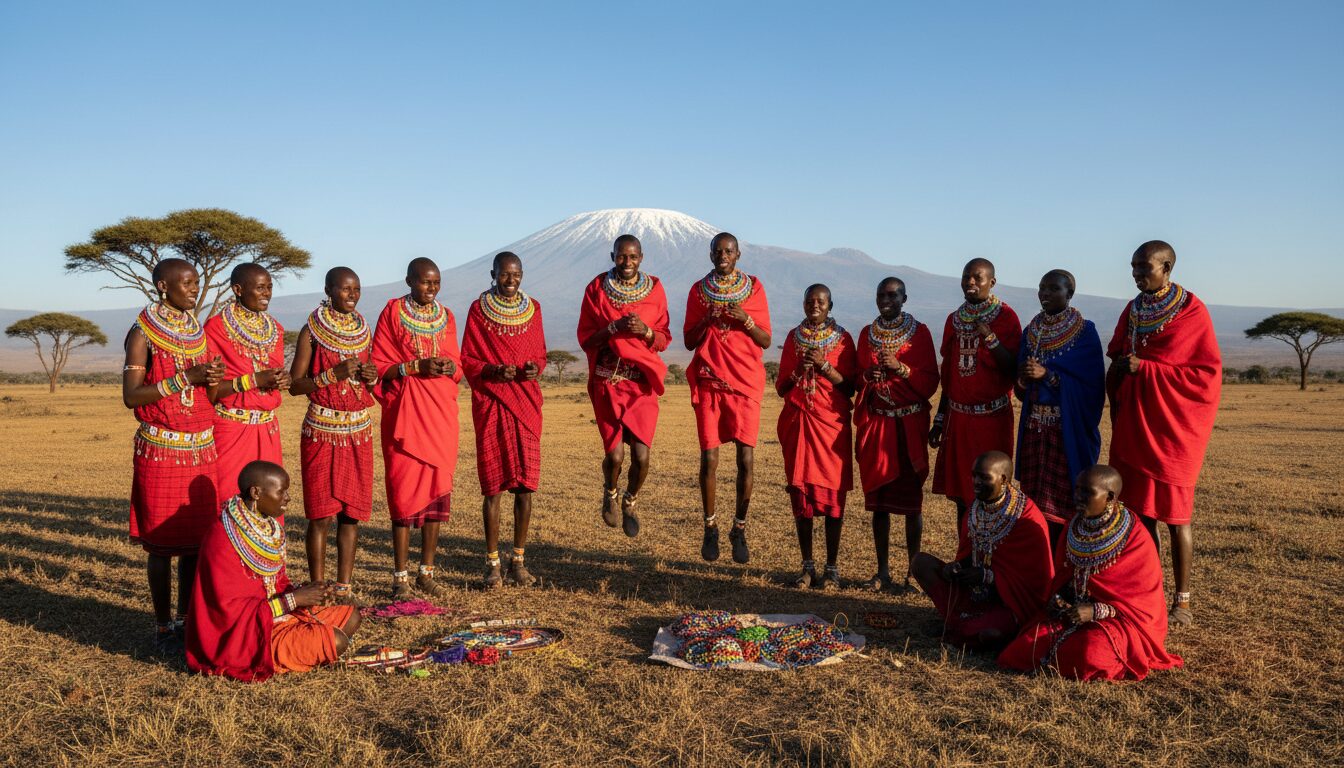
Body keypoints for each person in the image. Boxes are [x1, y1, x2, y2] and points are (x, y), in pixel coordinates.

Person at [1106, 240, 1221, 627]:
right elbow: (1118, 356)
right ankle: (1149, 592)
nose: (1137, 274)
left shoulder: (1192, 311)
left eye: (1145, 267)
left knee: (1176, 517)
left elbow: (1204, 376)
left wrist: (1146, 369)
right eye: (1134, 267)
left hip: (1174, 431)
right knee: (1140, 515)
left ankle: (1182, 601)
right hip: (1135, 422)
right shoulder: (1133, 309)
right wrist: (1122, 370)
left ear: (1167, 268)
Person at [122, 258, 225, 654]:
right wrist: (186, 378)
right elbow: (131, 396)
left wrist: (212, 379)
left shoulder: (199, 333)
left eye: (196, 282)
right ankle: (163, 625)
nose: (194, 289)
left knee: (196, 543)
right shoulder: (141, 333)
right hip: (162, 450)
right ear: (163, 286)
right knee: (162, 544)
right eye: (186, 283)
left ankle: (186, 619)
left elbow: (210, 396)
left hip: (201, 450)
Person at [998, 465, 1183, 680]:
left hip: (1120, 622)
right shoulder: (1074, 526)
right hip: (1074, 614)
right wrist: (1060, 598)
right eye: (1077, 489)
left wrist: (1096, 611)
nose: (1078, 497)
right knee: (1021, 648)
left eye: (1087, 492)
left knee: (1090, 654)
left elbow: (1142, 603)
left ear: (1110, 497)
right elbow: (1065, 576)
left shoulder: (1135, 538)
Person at [187, 461, 362, 682]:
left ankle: (305, 648)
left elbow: (275, 582)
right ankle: (294, 653)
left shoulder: (268, 527)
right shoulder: (223, 537)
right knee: (337, 641)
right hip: (246, 636)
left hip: (277, 613)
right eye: (281, 492)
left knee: (352, 617)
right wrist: (294, 599)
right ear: (256, 493)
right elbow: (228, 614)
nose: (288, 498)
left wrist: (308, 594)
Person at [372, 257, 463, 599]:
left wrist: (447, 366)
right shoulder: (392, 312)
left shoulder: (447, 316)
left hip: (440, 414)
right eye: (425, 282)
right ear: (409, 280)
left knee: (437, 488)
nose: (431, 288)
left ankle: (426, 573)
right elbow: (380, 366)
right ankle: (400, 578)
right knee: (403, 492)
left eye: (436, 282)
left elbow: (457, 364)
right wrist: (415, 366)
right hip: (405, 414)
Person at [289, 267, 379, 603]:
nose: (352, 295)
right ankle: (317, 588)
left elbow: (370, 381)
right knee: (320, 515)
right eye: (345, 289)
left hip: (358, 430)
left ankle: (344, 588)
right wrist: (332, 375)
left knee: (350, 515)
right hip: (322, 430)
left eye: (357, 289)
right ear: (328, 290)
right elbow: (295, 385)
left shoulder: (363, 329)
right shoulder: (311, 330)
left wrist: (371, 376)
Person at [684, 232, 772, 563]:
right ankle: (710, 527)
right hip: (710, 382)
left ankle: (739, 528)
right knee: (709, 459)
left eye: (729, 251)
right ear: (711, 255)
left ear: (738, 255)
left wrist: (744, 319)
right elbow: (689, 341)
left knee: (745, 460)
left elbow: (765, 339)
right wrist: (708, 318)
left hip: (745, 383)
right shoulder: (698, 291)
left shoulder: (755, 288)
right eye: (718, 251)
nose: (723, 255)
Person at [462, 252, 547, 587]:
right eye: (504, 274)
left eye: (516, 274)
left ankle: (519, 561)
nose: (510, 281)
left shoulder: (534, 308)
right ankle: (493, 563)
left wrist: (535, 368)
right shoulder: (478, 310)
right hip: (493, 403)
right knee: (494, 488)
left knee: (525, 488)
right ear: (493, 273)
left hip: (526, 403)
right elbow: (468, 359)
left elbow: (540, 354)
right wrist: (493, 370)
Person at [577, 234, 671, 538]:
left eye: (632, 256)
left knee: (642, 457)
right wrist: (612, 328)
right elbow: (587, 339)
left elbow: (663, 339)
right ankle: (610, 492)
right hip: (608, 382)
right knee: (615, 456)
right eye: (621, 256)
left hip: (641, 385)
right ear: (612, 256)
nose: (626, 262)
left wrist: (645, 331)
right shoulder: (596, 288)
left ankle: (630, 500)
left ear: (641, 257)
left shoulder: (655, 289)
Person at [910, 451, 1053, 651]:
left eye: (984, 477)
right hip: (974, 593)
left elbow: (1034, 582)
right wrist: (958, 566)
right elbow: (972, 552)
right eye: (974, 475)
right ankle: (962, 623)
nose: (976, 482)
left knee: (989, 634)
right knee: (921, 563)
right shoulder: (977, 507)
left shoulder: (1026, 518)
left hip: (1009, 603)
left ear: (1004, 480)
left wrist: (988, 577)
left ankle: (964, 625)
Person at [853, 277, 940, 592]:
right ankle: (882, 572)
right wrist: (868, 375)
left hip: (908, 425)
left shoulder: (920, 333)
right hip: (878, 425)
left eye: (892, 295)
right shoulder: (867, 333)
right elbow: (856, 377)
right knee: (879, 502)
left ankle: (913, 573)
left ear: (905, 298)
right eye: (881, 295)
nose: (886, 300)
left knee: (911, 504)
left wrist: (901, 368)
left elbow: (930, 380)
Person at [1014, 270, 1105, 545]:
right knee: (1032, 505)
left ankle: (1064, 559)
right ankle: (1039, 560)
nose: (1045, 293)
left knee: (1065, 504)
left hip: (1066, 433)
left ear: (1070, 294)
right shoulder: (1031, 332)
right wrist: (1024, 379)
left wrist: (1048, 376)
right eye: (1042, 288)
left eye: (1054, 289)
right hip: (1033, 431)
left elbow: (1092, 388)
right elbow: (1020, 389)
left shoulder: (1085, 332)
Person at [775, 284, 857, 589]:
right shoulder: (792, 338)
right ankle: (807, 566)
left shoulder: (844, 339)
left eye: (821, 301)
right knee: (802, 497)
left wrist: (824, 366)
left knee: (834, 496)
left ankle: (832, 568)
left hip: (831, 425)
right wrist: (800, 368)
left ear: (830, 305)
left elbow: (850, 387)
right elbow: (782, 387)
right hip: (799, 424)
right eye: (809, 301)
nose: (815, 305)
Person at [930, 259, 1022, 528]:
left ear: (991, 282)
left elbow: (1013, 368)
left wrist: (990, 338)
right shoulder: (954, 320)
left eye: (977, 278)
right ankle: (966, 549)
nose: (970, 282)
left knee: (993, 492)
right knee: (962, 492)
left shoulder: (1006, 317)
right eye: (966, 277)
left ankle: (992, 551)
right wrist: (940, 419)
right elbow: (949, 375)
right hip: (959, 420)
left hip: (992, 420)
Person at [204, 264, 289, 513]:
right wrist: (253, 380)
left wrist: (283, 380)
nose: (267, 293)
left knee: (269, 501)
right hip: (232, 429)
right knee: (228, 498)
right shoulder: (216, 328)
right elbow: (211, 392)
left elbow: (274, 374)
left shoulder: (275, 329)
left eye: (269, 287)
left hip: (267, 429)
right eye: (260, 288)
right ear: (238, 290)